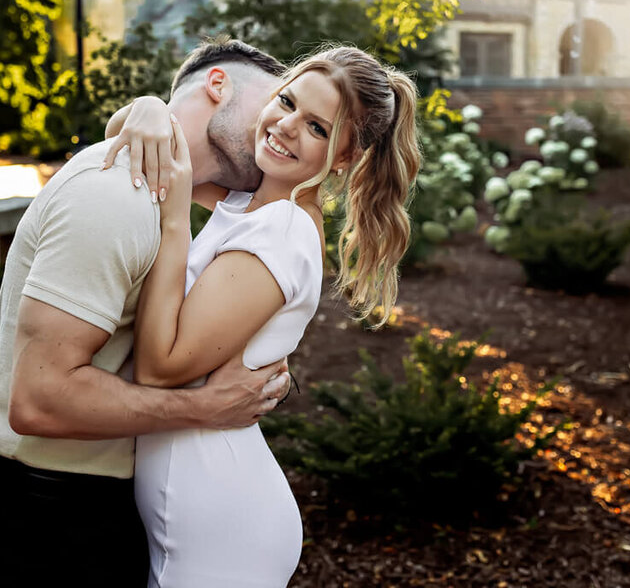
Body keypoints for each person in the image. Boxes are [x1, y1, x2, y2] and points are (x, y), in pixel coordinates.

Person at [0, 38, 292, 587]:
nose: (282, 126)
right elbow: (40, 399)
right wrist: (205, 409)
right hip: (49, 523)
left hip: (93, 509)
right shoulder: (115, 193)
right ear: (218, 84)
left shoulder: (169, 195)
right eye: (278, 101)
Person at [126, 46, 422, 587]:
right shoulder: (248, 206)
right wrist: (149, 108)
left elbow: (161, 367)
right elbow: (158, 159)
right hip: (190, 508)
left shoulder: (281, 230)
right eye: (285, 100)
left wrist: (174, 224)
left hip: (216, 524)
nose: (285, 126)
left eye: (315, 127)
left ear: (344, 158)